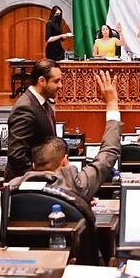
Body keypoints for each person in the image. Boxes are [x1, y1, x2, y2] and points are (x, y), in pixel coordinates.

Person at [9, 70, 122, 201]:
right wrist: (112, 103)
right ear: (64, 162)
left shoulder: (12, 187)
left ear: (33, 165)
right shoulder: (76, 186)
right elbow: (109, 152)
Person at [5, 58, 63, 180]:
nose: (60, 86)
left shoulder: (43, 103)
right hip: (25, 182)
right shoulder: (25, 108)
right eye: (56, 81)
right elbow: (16, 155)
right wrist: (41, 176)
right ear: (42, 81)